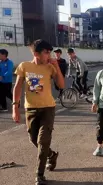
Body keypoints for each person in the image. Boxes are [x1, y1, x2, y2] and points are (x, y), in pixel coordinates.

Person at [12, 39, 65, 185]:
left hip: (48, 108)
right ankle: (51, 155)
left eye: (49, 52)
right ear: (36, 53)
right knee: (33, 139)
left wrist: (57, 67)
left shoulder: (50, 67)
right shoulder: (24, 66)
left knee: (43, 141)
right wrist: (15, 107)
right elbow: (17, 87)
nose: (49, 55)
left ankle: (39, 175)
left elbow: (61, 85)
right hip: (31, 109)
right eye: (46, 52)